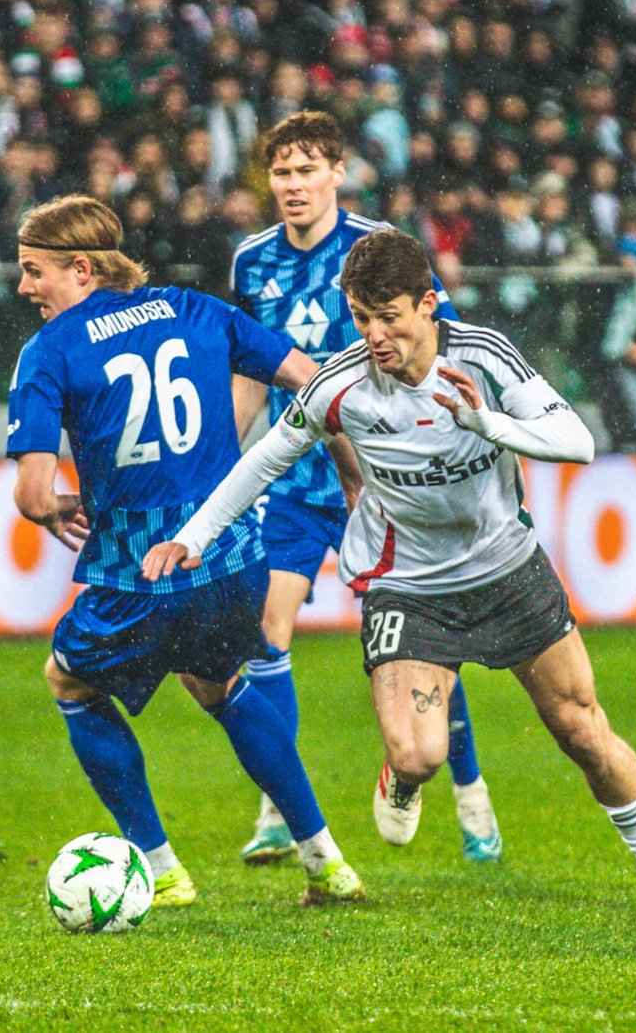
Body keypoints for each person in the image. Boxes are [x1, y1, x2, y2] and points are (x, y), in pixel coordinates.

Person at [146, 230, 636, 916]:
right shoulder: (340, 385)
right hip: (407, 586)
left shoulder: (484, 357)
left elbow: (579, 443)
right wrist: (195, 536)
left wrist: (487, 423)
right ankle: (404, 777)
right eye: (361, 317)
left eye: (390, 316)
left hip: (507, 569)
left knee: (583, 730)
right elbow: (266, 457)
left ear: (429, 303)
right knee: (417, 756)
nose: (376, 334)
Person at [6, 194, 363, 908]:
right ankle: (326, 860)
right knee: (220, 682)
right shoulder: (198, 310)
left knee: (68, 680)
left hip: (140, 569)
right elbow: (311, 382)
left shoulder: (51, 350)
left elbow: (33, 490)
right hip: (231, 556)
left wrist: (53, 510)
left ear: (80, 269)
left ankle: (161, 866)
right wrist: (354, 473)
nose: (24, 288)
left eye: (32, 270)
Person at [229, 111, 503, 865]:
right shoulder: (251, 262)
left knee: (425, 642)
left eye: (307, 169)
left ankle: (470, 793)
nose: (293, 185)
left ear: (337, 173)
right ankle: (281, 809)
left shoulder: (379, 250)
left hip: (384, 479)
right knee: (265, 630)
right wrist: (225, 458)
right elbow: (252, 369)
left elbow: (438, 346)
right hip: (294, 479)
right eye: (281, 172)